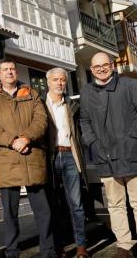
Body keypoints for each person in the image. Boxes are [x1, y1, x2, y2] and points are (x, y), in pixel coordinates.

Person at [80, 52, 137, 258]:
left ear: (112, 65)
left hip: (132, 154)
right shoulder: (87, 92)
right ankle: (123, 245)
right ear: (91, 69)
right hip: (105, 157)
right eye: (96, 67)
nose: (101, 69)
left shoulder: (129, 85)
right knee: (115, 205)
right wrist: (93, 144)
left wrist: (133, 136)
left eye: (104, 65)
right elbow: (84, 121)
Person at [0, 59, 56, 258]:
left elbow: (41, 121)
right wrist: (13, 140)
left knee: (43, 211)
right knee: (10, 214)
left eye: (12, 69)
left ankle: (48, 251)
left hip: (32, 158)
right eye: (5, 70)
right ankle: (12, 251)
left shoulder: (31, 94)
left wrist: (26, 138)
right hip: (6, 160)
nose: (9, 72)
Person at [42, 68, 88, 258]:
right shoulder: (40, 105)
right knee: (53, 205)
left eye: (62, 80)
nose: (60, 83)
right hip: (50, 158)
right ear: (48, 82)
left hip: (70, 155)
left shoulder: (72, 105)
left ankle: (81, 247)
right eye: (55, 80)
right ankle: (58, 246)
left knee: (76, 204)